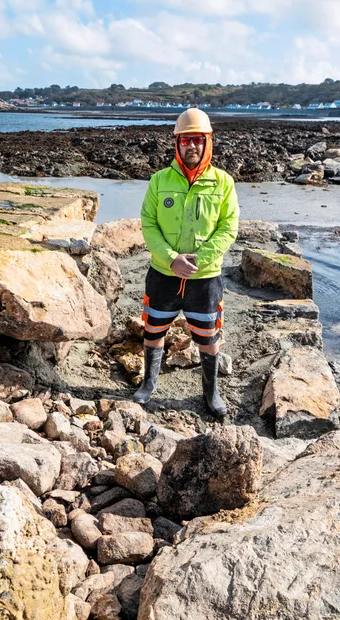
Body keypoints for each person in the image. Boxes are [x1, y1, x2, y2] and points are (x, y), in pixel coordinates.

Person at [133, 108, 239, 417]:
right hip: (163, 274)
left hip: (205, 279)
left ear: (207, 142)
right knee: (153, 330)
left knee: (208, 336)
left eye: (197, 140)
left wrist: (197, 261)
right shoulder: (159, 181)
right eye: (185, 140)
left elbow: (228, 227)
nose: (191, 146)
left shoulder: (223, 183)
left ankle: (211, 393)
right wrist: (171, 259)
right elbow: (149, 224)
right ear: (177, 144)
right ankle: (148, 384)